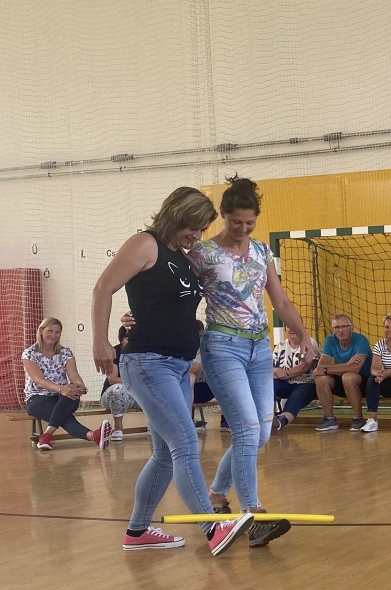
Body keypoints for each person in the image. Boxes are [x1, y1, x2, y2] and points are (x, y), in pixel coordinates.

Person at [91, 186, 254, 555]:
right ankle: (212, 528)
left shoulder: (183, 256)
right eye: (192, 227)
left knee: (166, 454)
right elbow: (103, 288)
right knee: (185, 444)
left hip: (179, 367)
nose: (196, 235)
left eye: (201, 229)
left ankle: (137, 532)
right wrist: (100, 340)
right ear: (176, 216)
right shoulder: (144, 244)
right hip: (148, 362)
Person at [189, 176, 316, 546]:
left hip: (259, 348)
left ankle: (217, 494)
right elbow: (178, 297)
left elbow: (281, 301)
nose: (243, 229)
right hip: (222, 346)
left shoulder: (262, 251)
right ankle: (254, 514)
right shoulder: (203, 253)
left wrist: (304, 335)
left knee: (260, 433)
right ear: (223, 215)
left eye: (249, 222)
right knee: (246, 429)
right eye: (236, 222)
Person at [23, 317, 112, 451]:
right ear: (41, 331)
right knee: (65, 417)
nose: (53, 335)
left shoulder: (65, 352)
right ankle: (94, 436)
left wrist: (80, 387)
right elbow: (39, 380)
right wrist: (61, 389)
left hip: (64, 396)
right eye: (50, 331)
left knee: (70, 396)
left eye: (57, 332)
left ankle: (46, 435)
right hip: (37, 397)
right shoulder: (29, 353)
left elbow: (74, 375)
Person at [312, 314, 372, 432]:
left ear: (352, 328)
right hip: (341, 380)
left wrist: (329, 369)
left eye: (344, 326)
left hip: (364, 383)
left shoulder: (361, 340)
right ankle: (329, 419)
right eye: (337, 327)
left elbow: (355, 368)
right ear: (333, 330)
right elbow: (321, 366)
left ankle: (358, 418)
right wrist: (346, 364)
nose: (340, 330)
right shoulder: (330, 340)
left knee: (348, 376)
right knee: (321, 378)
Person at [99, 325, 141, 441]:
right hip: (112, 396)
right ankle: (118, 428)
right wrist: (135, 382)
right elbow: (112, 379)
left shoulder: (141, 354)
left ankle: (153, 427)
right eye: (128, 339)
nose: (132, 342)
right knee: (118, 389)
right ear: (121, 340)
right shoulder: (114, 352)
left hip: (135, 394)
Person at [273, 325, 319, 430]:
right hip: (285, 383)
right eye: (288, 326)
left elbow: (305, 366)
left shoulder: (310, 343)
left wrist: (286, 373)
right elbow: (271, 368)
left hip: (307, 383)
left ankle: (281, 420)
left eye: (293, 325)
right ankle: (267, 417)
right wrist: (276, 371)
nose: (292, 329)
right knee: (268, 385)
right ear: (285, 329)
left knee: (296, 397)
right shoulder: (280, 346)